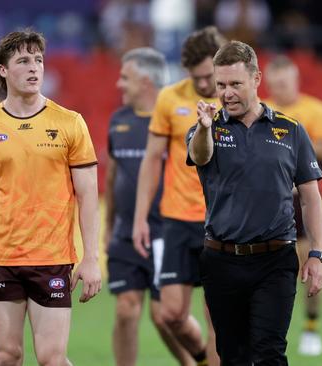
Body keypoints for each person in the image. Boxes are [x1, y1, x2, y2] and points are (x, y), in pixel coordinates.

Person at [0, 29, 101, 366]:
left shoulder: (70, 123)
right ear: (3, 70)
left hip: (51, 256)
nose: (34, 67)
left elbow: (88, 194)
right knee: (7, 357)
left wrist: (91, 257)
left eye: (38, 60)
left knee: (52, 358)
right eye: (23, 60)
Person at [187, 40, 322, 365]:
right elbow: (199, 155)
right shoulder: (207, 129)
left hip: (275, 260)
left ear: (256, 79)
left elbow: (311, 198)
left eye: (235, 84)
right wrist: (205, 129)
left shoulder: (291, 131)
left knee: (269, 354)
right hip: (221, 260)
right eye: (221, 85)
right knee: (232, 356)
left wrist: (317, 253)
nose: (227, 93)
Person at [132, 26, 226, 366]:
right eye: (196, 76)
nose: (203, 84)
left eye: (208, 76)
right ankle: (201, 359)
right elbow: (151, 163)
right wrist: (141, 217)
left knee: (218, 318)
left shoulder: (234, 99)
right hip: (175, 220)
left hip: (219, 221)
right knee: (169, 314)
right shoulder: (169, 98)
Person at [105, 47, 193, 366]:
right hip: (125, 234)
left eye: (124, 78)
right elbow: (114, 176)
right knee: (126, 309)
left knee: (164, 316)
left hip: (165, 234)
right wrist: (108, 228)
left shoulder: (175, 119)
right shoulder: (119, 120)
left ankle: (194, 361)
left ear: (144, 81)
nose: (119, 84)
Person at [264, 54, 322, 356]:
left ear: (295, 80)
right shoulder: (263, 111)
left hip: (303, 200)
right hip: (270, 201)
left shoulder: (314, 109)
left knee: (310, 261)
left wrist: (291, 148)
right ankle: (269, 329)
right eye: (275, 84)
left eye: (285, 83)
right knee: (270, 268)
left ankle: (311, 327)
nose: (280, 89)